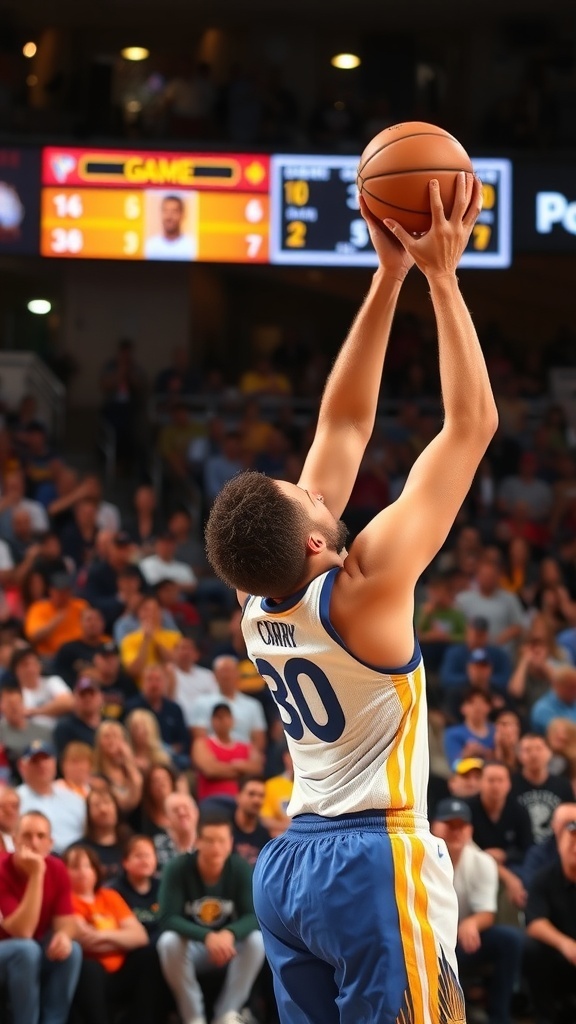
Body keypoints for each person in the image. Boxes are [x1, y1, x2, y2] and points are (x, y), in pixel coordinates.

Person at [204, 176, 495, 1022]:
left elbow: (340, 426)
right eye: (307, 498)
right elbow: (471, 427)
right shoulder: (362, 592)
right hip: (373, 862)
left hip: (291, 869)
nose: (314, 486)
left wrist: (385, 276)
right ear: (317, 544)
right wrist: (442, 277)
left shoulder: (258, 603)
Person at [157, 811, 265, 1024]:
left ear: (230, 842)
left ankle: (226, 1014)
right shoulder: (178, 868)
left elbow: (253, 916)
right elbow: (167, 917)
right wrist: (207, 936)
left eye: (222, 840)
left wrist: (228, 933)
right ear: (197, 841)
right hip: (194, 949)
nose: (216, 847)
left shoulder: (240, 867)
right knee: (168, 942)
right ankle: (193, 1017)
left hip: (227, 948)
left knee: (257, 941)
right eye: (209, 840)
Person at [431, 797, 524, 1024]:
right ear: (434, 826)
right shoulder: (422, 858)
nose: (456, 831)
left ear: (470, 829)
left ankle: (499, 1016)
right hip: (429, 938)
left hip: (464, 940)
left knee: (510, 938)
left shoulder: (483, 861)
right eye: (449, 824)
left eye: (461, 825)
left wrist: (471, 923)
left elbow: (487, 913)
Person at [64, 843, 166, 1024]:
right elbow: (86, 941)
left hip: (122, 968)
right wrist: (121, 936)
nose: (82, 872)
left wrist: (103, 935)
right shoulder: (67, 900)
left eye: (87, 866)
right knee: (89, 967)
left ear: (96, 870)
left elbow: (140, 936)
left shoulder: (109, 895)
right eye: (75, 867)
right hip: (92, 973)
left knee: (149, 953)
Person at [0, 810, 82, 1024]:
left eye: (41, 836)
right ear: (15, 840)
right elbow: (22, 932)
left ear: (50, 843)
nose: (34, 843)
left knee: (72, 950)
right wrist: (37, 875)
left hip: (33, 950)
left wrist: (64, 935)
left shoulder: (57, 868)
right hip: (7, 950)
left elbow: (67, 922)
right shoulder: (1, 869)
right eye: (27, 835)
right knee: (26, 949)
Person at [524, 811, 576, 1024]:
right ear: (559, 845)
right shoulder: (543, 878)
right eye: (571, 839)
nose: (575, 846)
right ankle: (544, 1016)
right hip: (558, 956)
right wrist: (566, 944)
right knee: (530, 948)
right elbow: (535, 922)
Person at [16, 740, 86, 854]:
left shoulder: (74, 799)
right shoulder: (14, 801)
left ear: (54, 762)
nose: (42, 765)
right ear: (22, 766)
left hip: (75, 859)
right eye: (35, 761)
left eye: (46, 759)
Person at [144, 194, 197, 260]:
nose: (169, 217)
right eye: (166, 211)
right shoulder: (150, 246)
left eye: (174, 211)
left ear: (182, 215)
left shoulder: (192, 246)